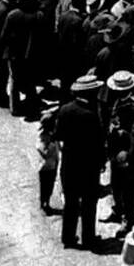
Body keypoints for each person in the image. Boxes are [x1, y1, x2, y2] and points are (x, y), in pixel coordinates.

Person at [57, 74, 105, 250]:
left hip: (69, 164)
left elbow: (59, 136)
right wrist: (101, 161)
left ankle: (68, 237)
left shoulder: (64, 110)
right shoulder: (91, 115)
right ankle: (88, 237)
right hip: (88, 167)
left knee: (70, 202)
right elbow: (98, 142)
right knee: (88, 203)